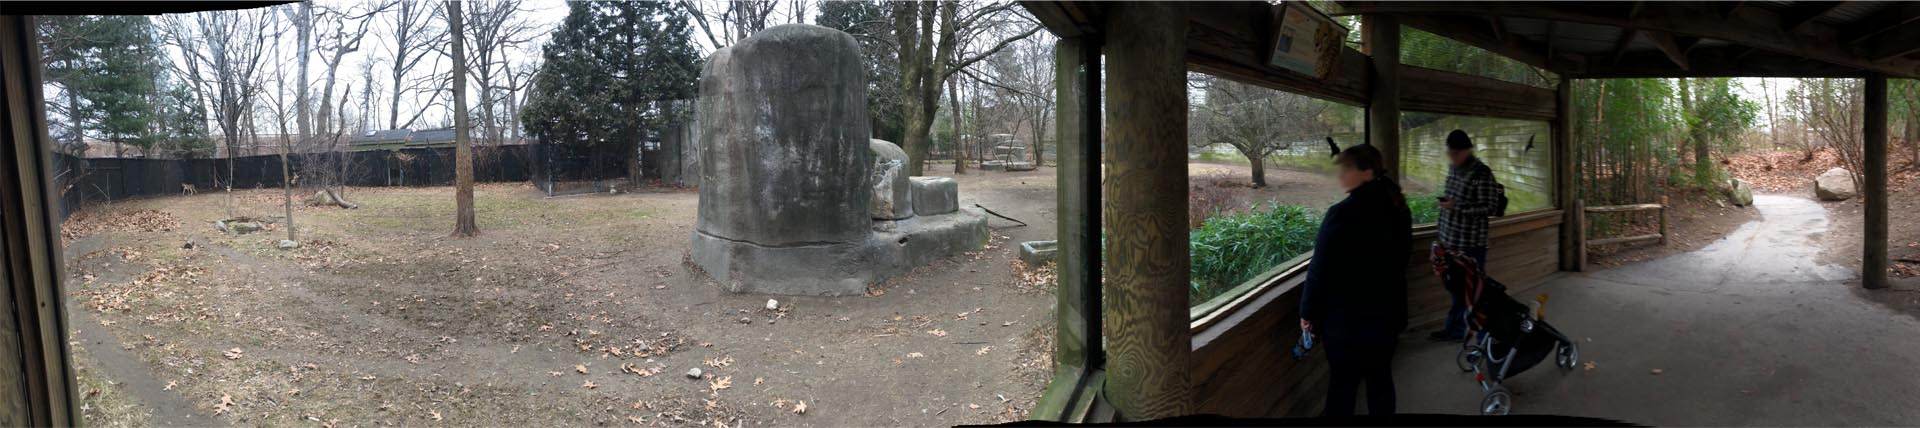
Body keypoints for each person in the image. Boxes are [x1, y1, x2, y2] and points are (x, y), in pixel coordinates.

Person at [1299, 143, 1413, 417]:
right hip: (1388, 317)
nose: (1340, 175)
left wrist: (1307, 312)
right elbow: (1402, 260)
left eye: (1347, 168)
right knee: (1381, 383)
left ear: (1367, 172)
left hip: (1347, 324)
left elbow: (1319, 269)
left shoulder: (1342, 213)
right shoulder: (1399, 208)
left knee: (1342, 388)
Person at [1431, 129, 1499, 342]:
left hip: (1471, 244)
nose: (1452, 157)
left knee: (1475, 292)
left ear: (1467, 151)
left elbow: (1490, 207)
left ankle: (1484, 337)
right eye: (1449, 153)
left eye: (1455, 153)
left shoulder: (1482, 173)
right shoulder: (1453, 169)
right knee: (1456, 289)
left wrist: (1457, 206)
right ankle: (1456, 330)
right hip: (1450, 239)